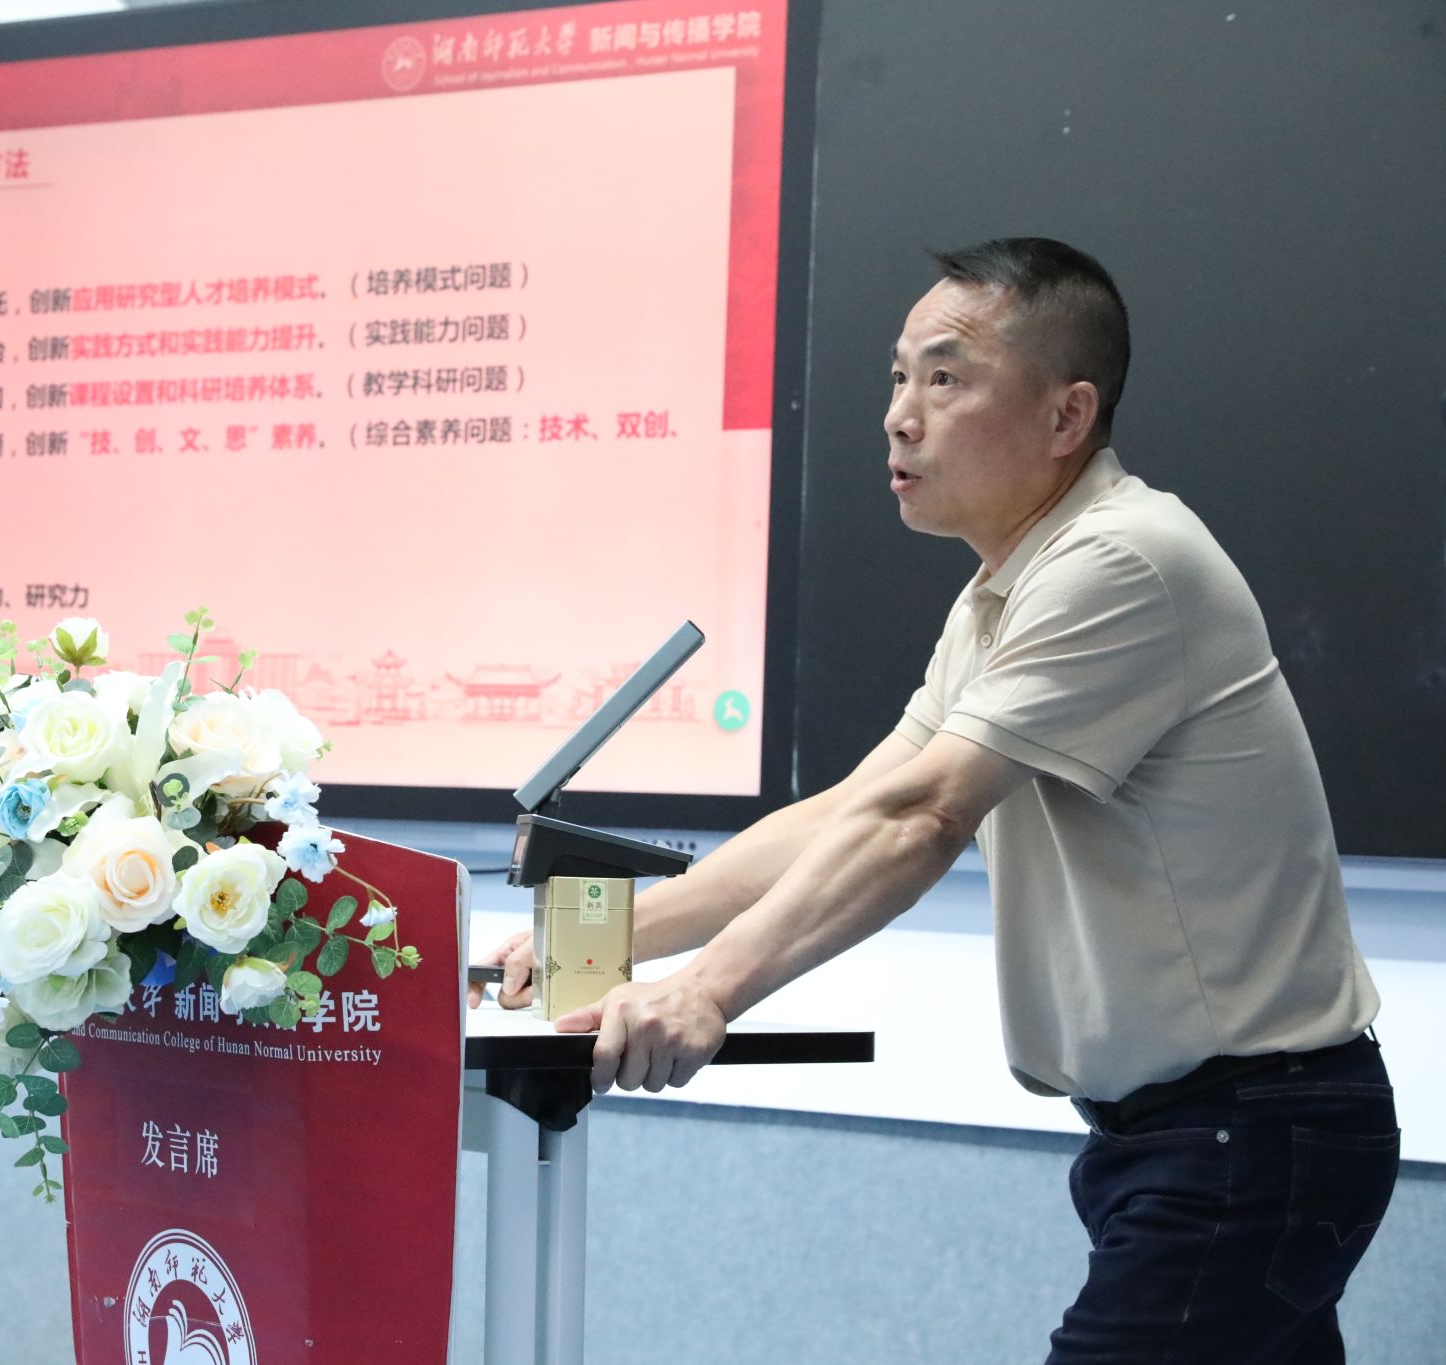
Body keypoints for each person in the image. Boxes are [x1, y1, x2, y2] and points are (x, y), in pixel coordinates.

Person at [468, 238, 1397, 1362]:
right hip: (1205, 1136)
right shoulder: (1005, 590)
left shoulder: (1119, 563)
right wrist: (608, 940)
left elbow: (922, 820)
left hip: (1248, 1133)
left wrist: (707, 990)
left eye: (946, 378)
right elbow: (853, 808)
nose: (899, 417)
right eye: (898, 377)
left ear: (1066, 415)